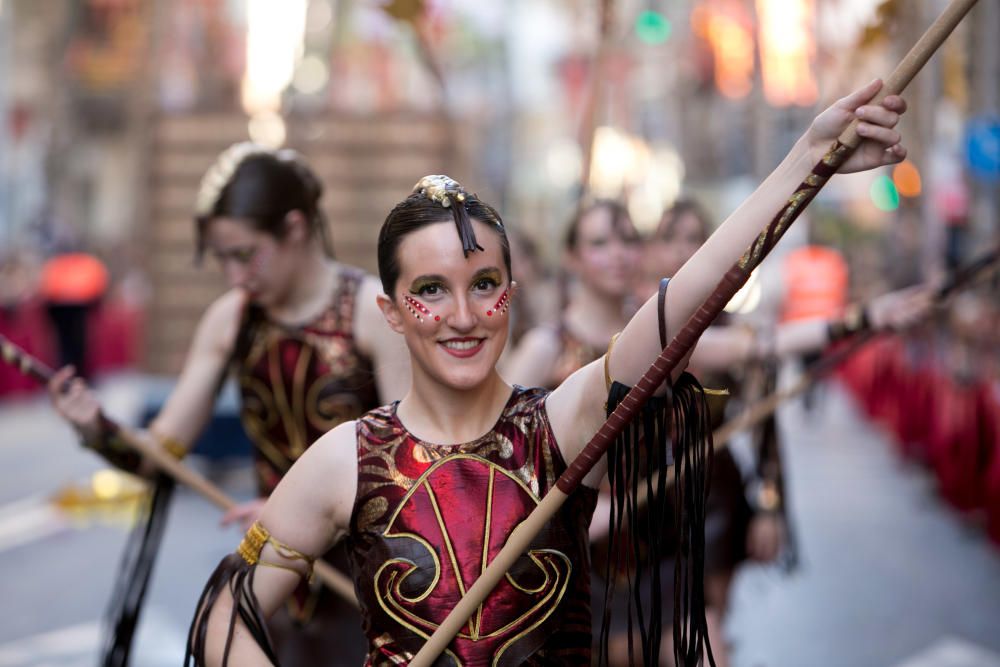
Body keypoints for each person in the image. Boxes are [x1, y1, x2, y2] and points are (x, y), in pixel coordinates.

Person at [188, 79, 909, 666]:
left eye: (484, 283)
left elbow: (683, 300)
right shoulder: (342, 461)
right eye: (431, 290)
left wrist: (803, 164)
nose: (463, 314)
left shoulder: (561, 422)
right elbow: (226, 611)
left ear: (511, 293)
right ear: (393, 312)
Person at [47, 143, 410, 663]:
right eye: (222, 259)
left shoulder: (372, 315)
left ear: (295, 228)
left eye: (245, 254)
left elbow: (411, 470)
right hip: (271, 592)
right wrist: (96, 430)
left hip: (366, 591)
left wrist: (304, 513)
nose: (235, 277)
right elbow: (159, 458)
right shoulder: (231, 319)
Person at [602, 198, 934, 666]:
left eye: (695, 237)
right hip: (633, 507)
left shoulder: (732, 335)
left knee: (703, 627)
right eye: (670, 238)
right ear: (651, 250)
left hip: (709, 499)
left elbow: (763, 422)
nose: (683, 249)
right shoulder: (633, 329)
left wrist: (769, 505)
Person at [501, 200, 641, 389]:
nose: (618, 254)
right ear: (572, 256)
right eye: (599, 243)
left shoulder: (648, 333)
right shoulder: (545, 345)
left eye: (627, 240)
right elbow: (503, 416)